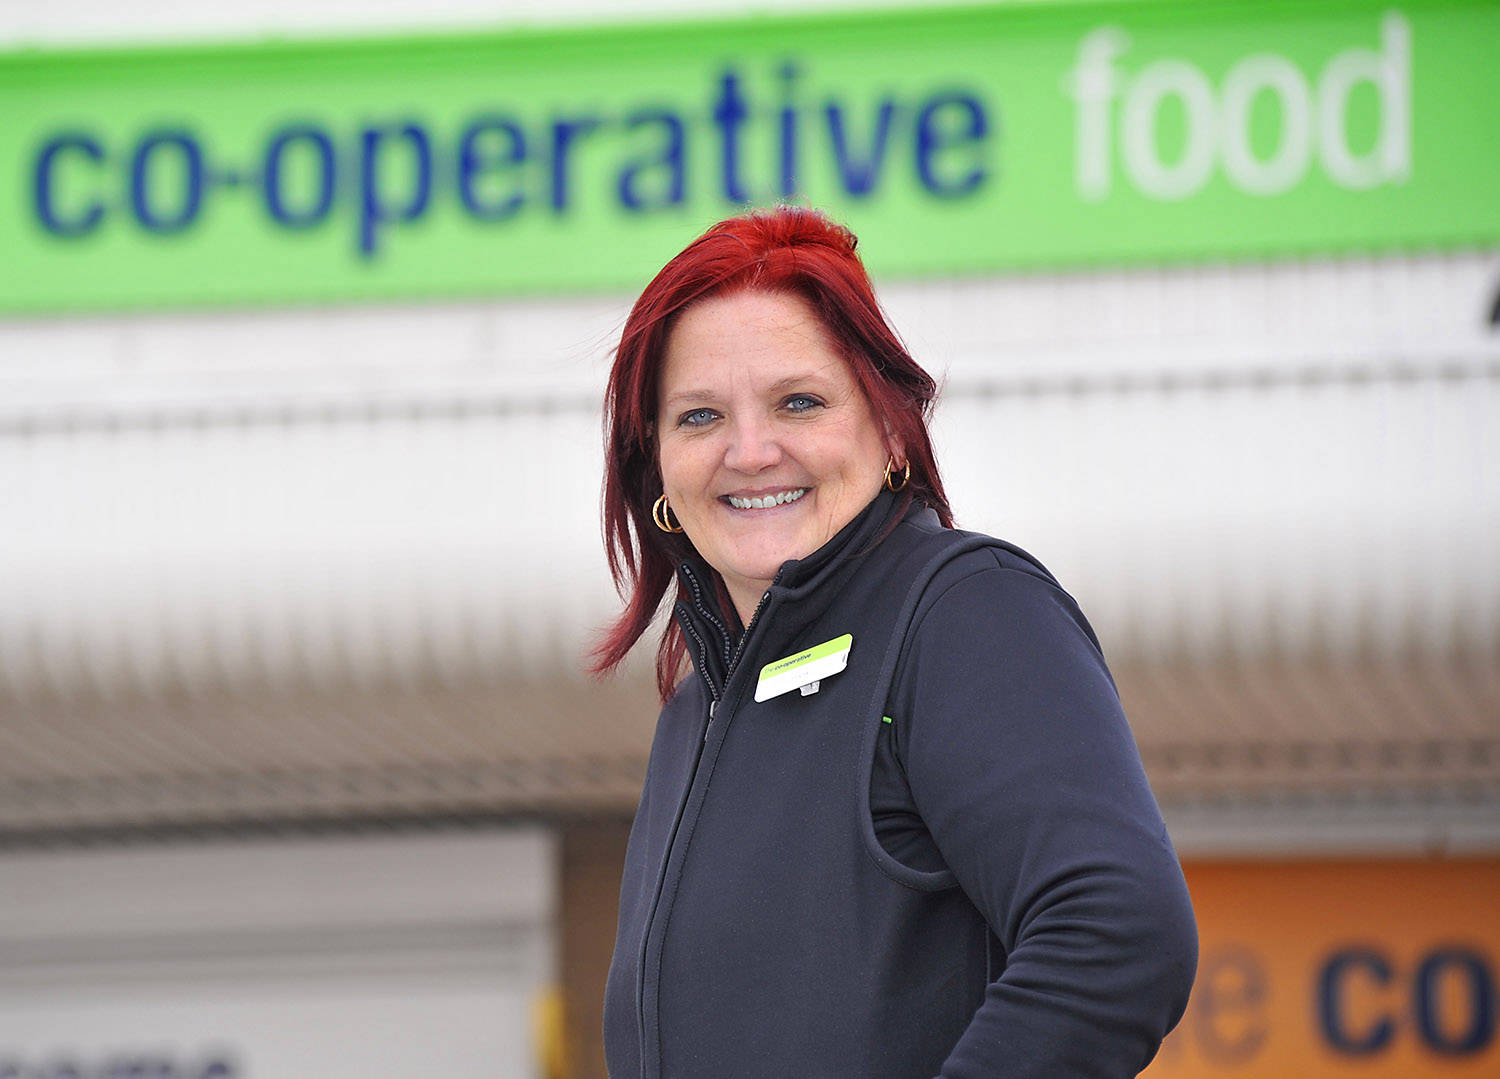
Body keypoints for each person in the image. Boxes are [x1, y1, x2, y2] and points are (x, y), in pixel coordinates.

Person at [592, 207, 1196, 1078]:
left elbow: (1118, 928)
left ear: (886, 429)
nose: (750, 451)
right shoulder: (697, 710)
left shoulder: (961, 612)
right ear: (656, 463)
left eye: (799, 401)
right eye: (699, 417)